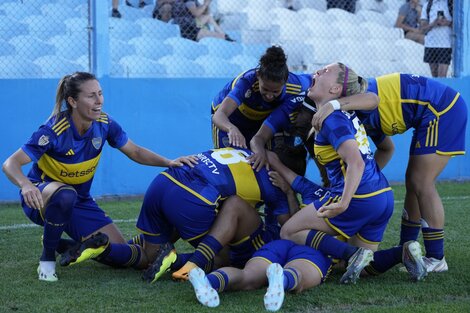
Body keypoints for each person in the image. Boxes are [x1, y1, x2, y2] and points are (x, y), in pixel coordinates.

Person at [1, 72, 197, 282]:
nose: (99, 101)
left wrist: (168, 162)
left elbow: (135, 151)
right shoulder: (53, 130)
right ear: (73, 101)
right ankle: (47, 261)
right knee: (65, 195)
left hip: (80, 201)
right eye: (91, 96)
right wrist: (25, 185)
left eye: (100, 94)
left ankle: (64, 245)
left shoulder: (105, 124)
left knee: (120, 253)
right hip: (41, 198)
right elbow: (10, 163)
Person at [276, 63, 427, 284]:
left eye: (325, 71)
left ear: (336, 89)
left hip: (356, 197)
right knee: (364, 267)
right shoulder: (342, 111)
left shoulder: (331, 118)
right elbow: (374, 103)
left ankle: (352, 254)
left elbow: (355, 162)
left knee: (289, 231)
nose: (316, 72)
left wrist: (345, 202)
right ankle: (402, 252)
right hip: (382, 195)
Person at [312, 72, 467, 273]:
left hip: (442, 108)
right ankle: (406, 250)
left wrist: (332, 105)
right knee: (413, 182)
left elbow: (372, 98)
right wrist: (365, 180)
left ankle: (436, 258)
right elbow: (388, 148)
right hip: (431, 111)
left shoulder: (353, 102)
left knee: (421, 182)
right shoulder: (352, 116)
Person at [212, 46, 312, 170]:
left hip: (262, 121)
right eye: (265, 89)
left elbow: (319, 79)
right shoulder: (246, 82)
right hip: (231, 119)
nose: (269, 96)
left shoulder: (297, 84)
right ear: (258, 75)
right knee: (230, 166)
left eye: (275, 91)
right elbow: (219, 115)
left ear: (285, 81)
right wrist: (231, 128)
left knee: (267, 162)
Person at [188, 239, 332, 311]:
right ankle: (282, 280)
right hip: (313, 249)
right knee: (298, 275)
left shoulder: (301, 187)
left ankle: (209, 281)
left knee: (247, 276)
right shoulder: (343, 200)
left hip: (278, 243)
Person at [168, 0, 234, 42]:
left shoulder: (193, 1)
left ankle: (224, 35)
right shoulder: (189, 1)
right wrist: (205, 4)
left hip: (192, 25)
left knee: (208, 18)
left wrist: (206, 4)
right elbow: (196, 13)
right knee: (220, 37)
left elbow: (206, 13)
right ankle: (225, 36)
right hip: (187, 28)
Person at [420, 0, 453, 77]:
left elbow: (460, 26)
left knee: (442, 76)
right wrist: (433, 24)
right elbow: (422, 29)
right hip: (431, 44)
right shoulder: (427, 5)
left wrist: (447, 23)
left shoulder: (450, 4)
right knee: (434, 76)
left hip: (445, 45)